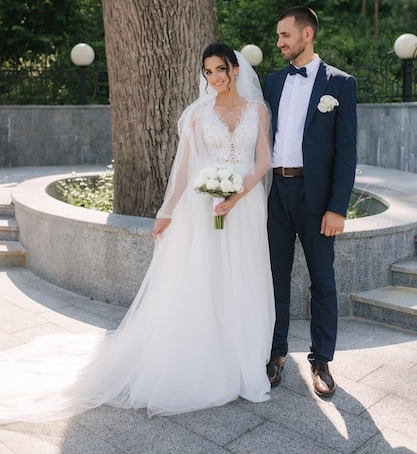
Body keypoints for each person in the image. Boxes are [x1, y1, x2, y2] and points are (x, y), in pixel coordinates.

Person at [0, 43, 275, 422]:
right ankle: (205, 355)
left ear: (236, 70)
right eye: (209, 72)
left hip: (244, 206)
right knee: (204, 276)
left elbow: (264, 160)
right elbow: (182, 170)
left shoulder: (257, 110)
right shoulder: (197, 113)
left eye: (221, 70)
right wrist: (166, 210)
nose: (215, 78)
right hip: (203, 204)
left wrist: (237, 194)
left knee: (242, 277)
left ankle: (242, 358)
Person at [263, 6, 357, 398]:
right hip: (276, 193)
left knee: (323, 280)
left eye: (285, 35)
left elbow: (346, 151)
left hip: (317, 199)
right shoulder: (271, 82)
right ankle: (275, 352)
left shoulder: (340, 83)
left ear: (306, 35)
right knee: (274, 279)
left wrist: (337, 207)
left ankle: (321, 360)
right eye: (279, 36)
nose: (280, 43)